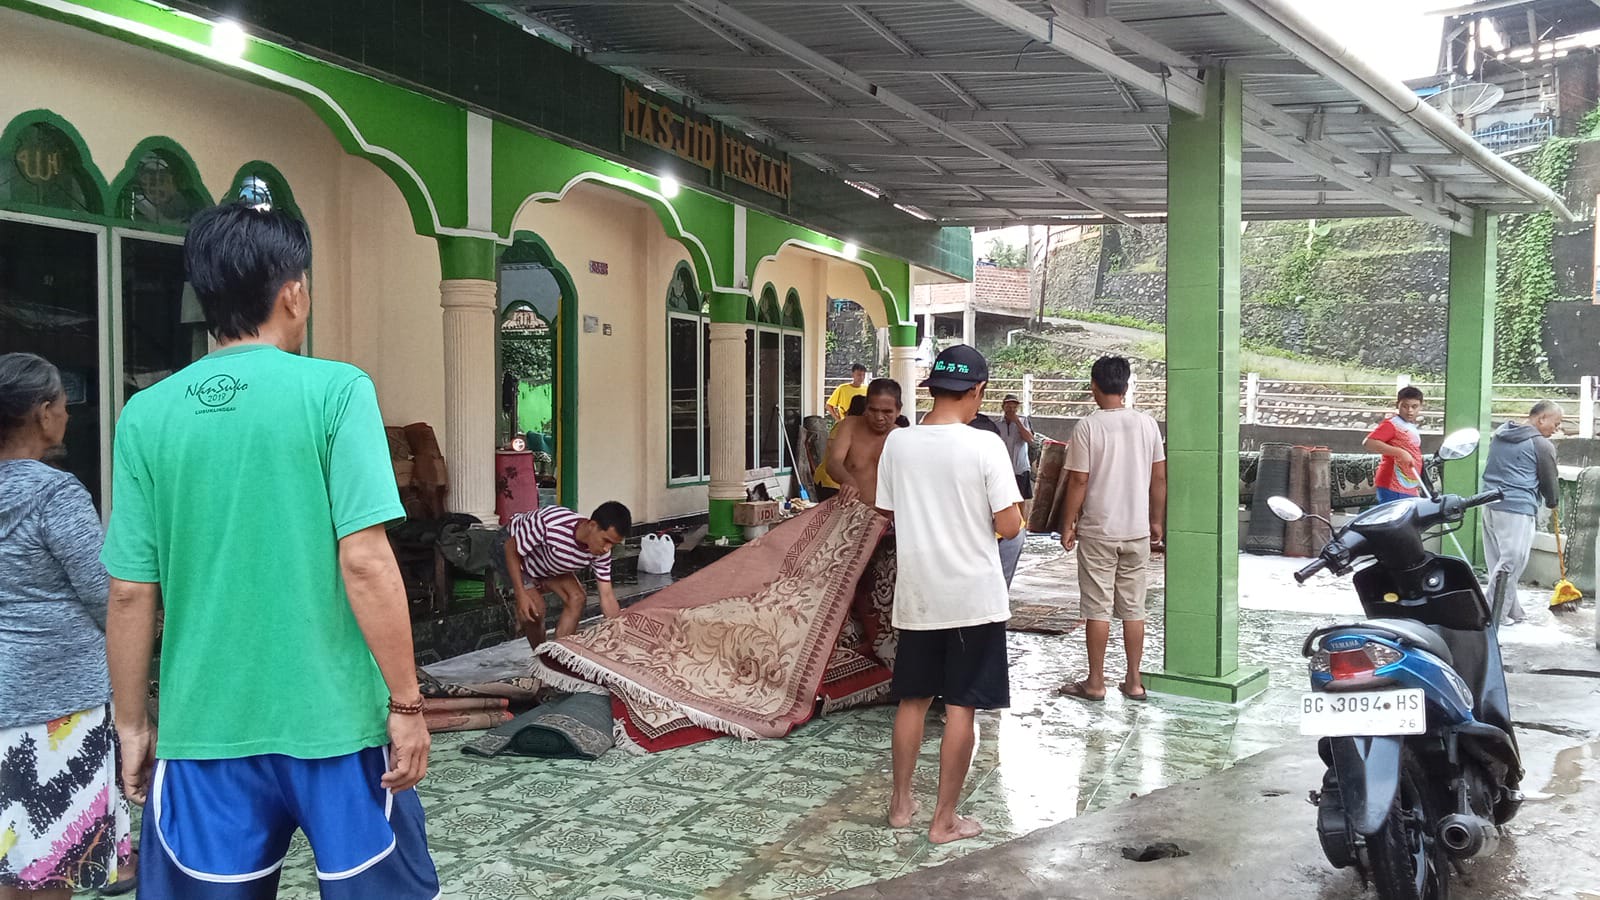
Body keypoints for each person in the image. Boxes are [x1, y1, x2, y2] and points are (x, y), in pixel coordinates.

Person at [100, 202, 439, 898]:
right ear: (294, 291)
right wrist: (406, 705)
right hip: (338, 729)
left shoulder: (146, 416)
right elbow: (366, 560)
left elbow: (132, 590)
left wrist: (131, 724)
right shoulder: (336, 391)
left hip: (203, 733)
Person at [876, 345, 1023, 845]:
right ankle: (944, 821)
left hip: (918, 595)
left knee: (911, 701)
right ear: (978, 392)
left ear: (931, 389)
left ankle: (900, 804)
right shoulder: (986, 446)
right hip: (973, 601)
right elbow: (1010, 523)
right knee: (962, 707)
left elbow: (891, 513)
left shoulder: (899, 443)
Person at [0, 353, 133, 899]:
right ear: (42, 412)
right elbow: (107, 596)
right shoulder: (56, 494)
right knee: (51, 869)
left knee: (12, 862)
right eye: (63, 403)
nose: (69, 415)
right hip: (58, 707)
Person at [1058, 356, 1167, 703]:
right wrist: (1156, 520)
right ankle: (1134, 682)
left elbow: (1078, 480)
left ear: (1094, 386)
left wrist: (1068, 523)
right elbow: (1159, 477)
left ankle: (1095, 683)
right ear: (1126, 385)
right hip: (1137, 531)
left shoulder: (1088, 427)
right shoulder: (1147, 424)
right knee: (1134, 608)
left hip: (1099, 531)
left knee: (1097, 608)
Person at [1481, 401, 1564, 624]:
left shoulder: (1501, 433)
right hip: (1516, 508)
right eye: (1556, 423)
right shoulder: (1541, 445)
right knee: (1511, 562)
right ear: (1541, 418)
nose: (1557, 429)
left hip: (1490, 504)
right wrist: (1553, 501)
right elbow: (1549, 480)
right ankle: (1491, 615)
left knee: (1498, 561)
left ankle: (1511, 610)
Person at [501, 501, 631, 642]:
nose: (607, 549)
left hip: (547, 562)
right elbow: (510, 548)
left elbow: (607, 596)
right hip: (510, 551)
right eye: (605, 540)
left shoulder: (602, 553)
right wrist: (521, 595)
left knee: (577, 598)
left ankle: (559, 653)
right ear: (592, 526)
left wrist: (620, 636)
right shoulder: (551, 524)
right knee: (535, 610)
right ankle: (541, 656)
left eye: (613, 544)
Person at [969, 411, 1026, 587]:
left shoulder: (993, 463)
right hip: (989, 534)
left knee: (996, 589)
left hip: (1004, 536)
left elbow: (1010, 527)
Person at [827, 378, 902, 507]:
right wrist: (848, 480)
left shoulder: (902, 438)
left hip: (891, 517)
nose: (879, 417)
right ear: (865, 407)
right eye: (873, 410)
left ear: (898, 411)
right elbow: (833, 463)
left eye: (887, 412)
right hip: (852, 511)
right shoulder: (849, 426)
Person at [1364, 386, 1426, 504]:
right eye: (1405, 406)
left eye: (1414, 406)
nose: (1409, 411)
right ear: (1397, 405)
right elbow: (1369, 442)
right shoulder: (1392, 424)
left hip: (1407, 484)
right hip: (1393, 483)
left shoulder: (1409, 425)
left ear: (1421, 406)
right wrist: (1401, 453)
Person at [813, 395, 866, 501]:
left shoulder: (859, 428)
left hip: (843, 483)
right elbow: (833, 450)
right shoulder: (843, 427)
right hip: (830, 482)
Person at [998, 394, 1035, 501]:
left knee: (1021, 500)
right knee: (1004, 500)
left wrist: (1017, 422)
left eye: (1014, 407)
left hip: (1020, 468)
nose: (1011, 410)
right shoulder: (997, 424)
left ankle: (1022, 518)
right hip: (1003, 469)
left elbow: (1030, 440)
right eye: (1009, 407)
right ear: (1003, 407)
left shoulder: (1024, 421)